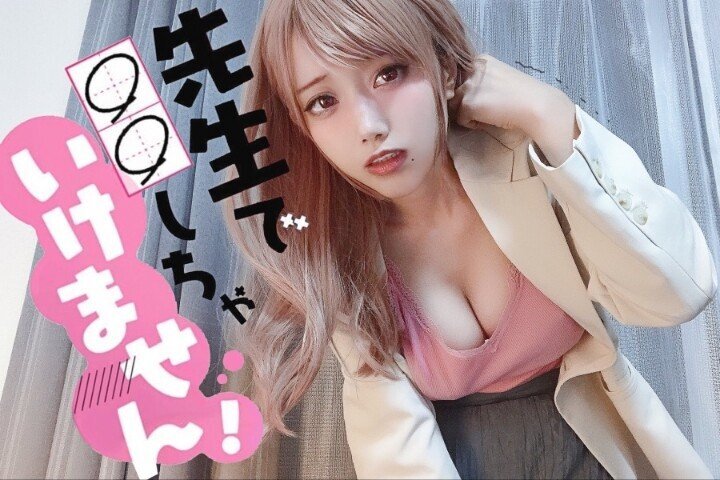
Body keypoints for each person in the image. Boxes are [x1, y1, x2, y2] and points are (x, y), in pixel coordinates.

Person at [222, 0, 718, 478]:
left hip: (597, 452)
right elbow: (396, 444)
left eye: (389, 73)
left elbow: (677, 295)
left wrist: (553, 118)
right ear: (303, 128)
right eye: (323, 102)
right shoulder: (338, 252)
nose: (370, 126)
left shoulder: (533, 162)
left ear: (442, 65)